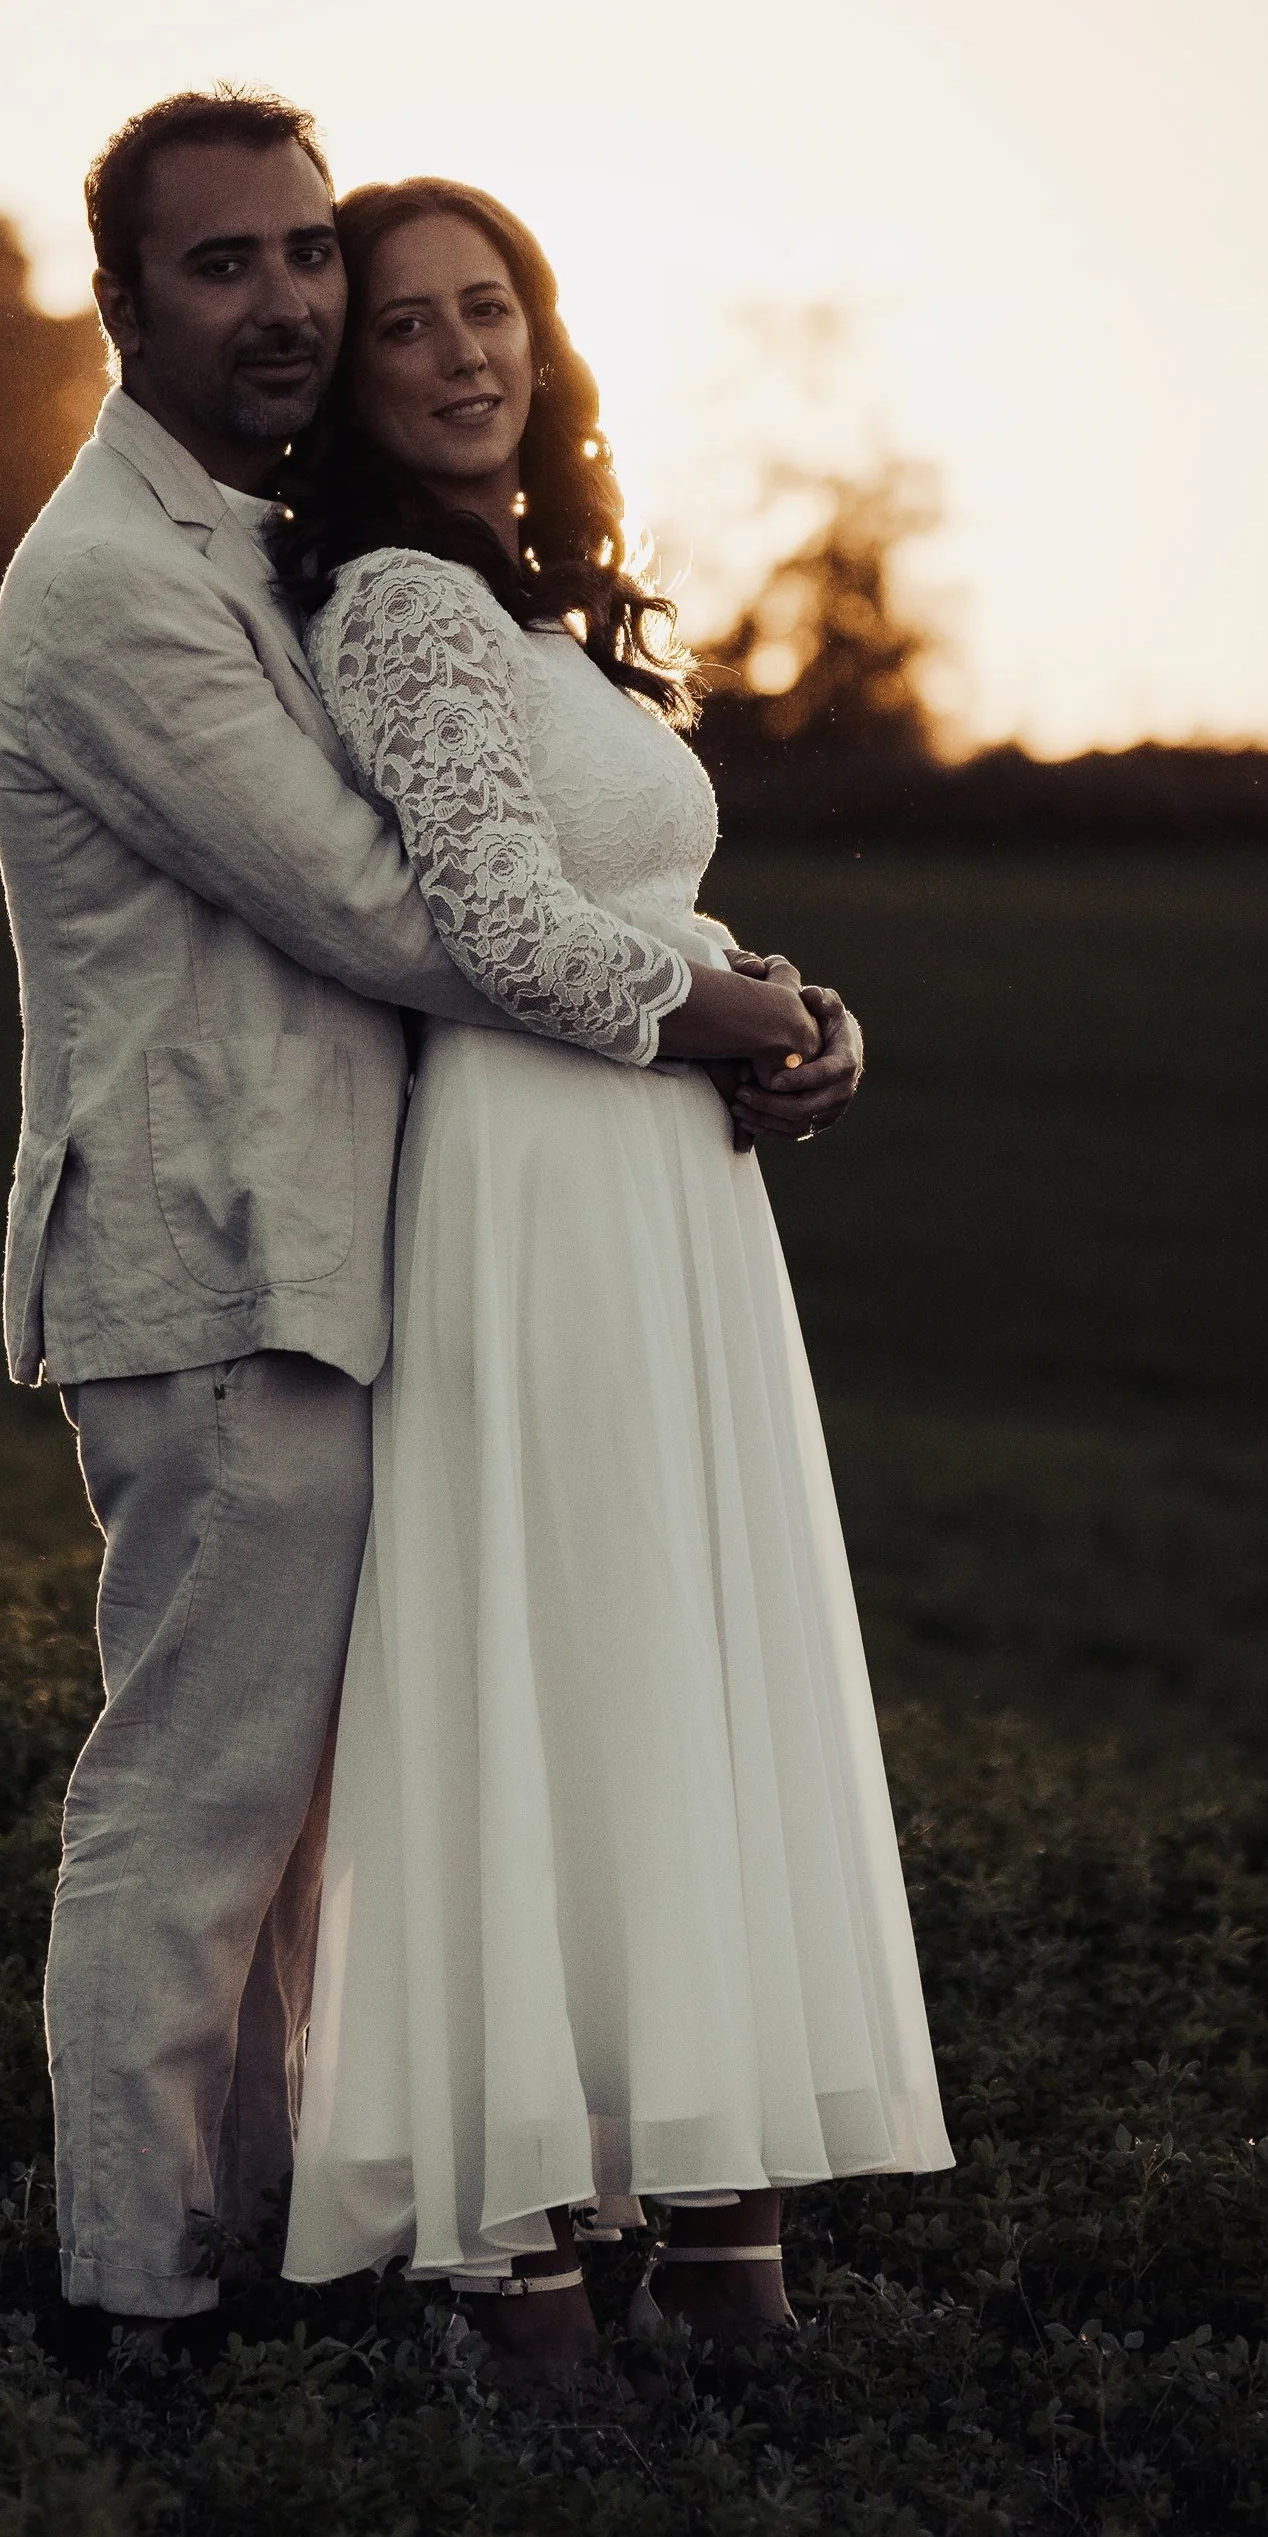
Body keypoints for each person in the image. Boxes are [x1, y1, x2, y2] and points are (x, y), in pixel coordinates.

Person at [0, 89, 858, 2362]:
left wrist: (740, 1000)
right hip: (214, 1248)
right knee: (199, 1798)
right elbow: (390, 906)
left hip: (352, 1237)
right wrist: (723, 1010)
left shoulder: (265, 539)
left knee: (317, 1802)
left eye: (297, 257)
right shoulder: (105, 586)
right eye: (222, 265)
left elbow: (535, 858)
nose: (277, 302)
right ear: (117, 300)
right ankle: (135, 2306)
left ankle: (281, 2246)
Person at [276, 175, 952, 2391]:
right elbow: (487, 922)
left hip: (667, 1201)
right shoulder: (392, 602)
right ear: (350, 375)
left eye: (495, 312)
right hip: (534, 1194)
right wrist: (719, 1011)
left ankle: (718, 2225)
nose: (467, 355)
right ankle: (529, 2249)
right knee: (558, 1659)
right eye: (409, 327)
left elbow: (634, 915)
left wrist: (791, 1013)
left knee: (676, 1655)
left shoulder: (545, 615)